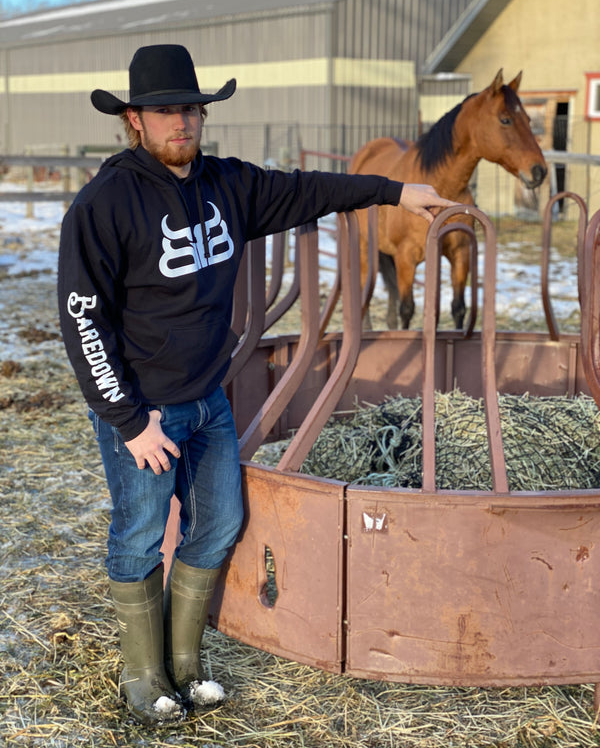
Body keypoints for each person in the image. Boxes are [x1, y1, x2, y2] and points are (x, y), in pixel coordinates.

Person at [57, 43, 458, 726]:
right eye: (163, 112)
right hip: (144, 410)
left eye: (190, 109)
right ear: (134, 120)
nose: (180, 122)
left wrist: (394, 191)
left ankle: (185, 664)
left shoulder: (227, 185)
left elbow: (306, 190)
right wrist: (128, 422)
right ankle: (142, 675)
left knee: (217, 527)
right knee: (140, 532)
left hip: (207, 402)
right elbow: (82, 318)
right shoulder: (106, 203)